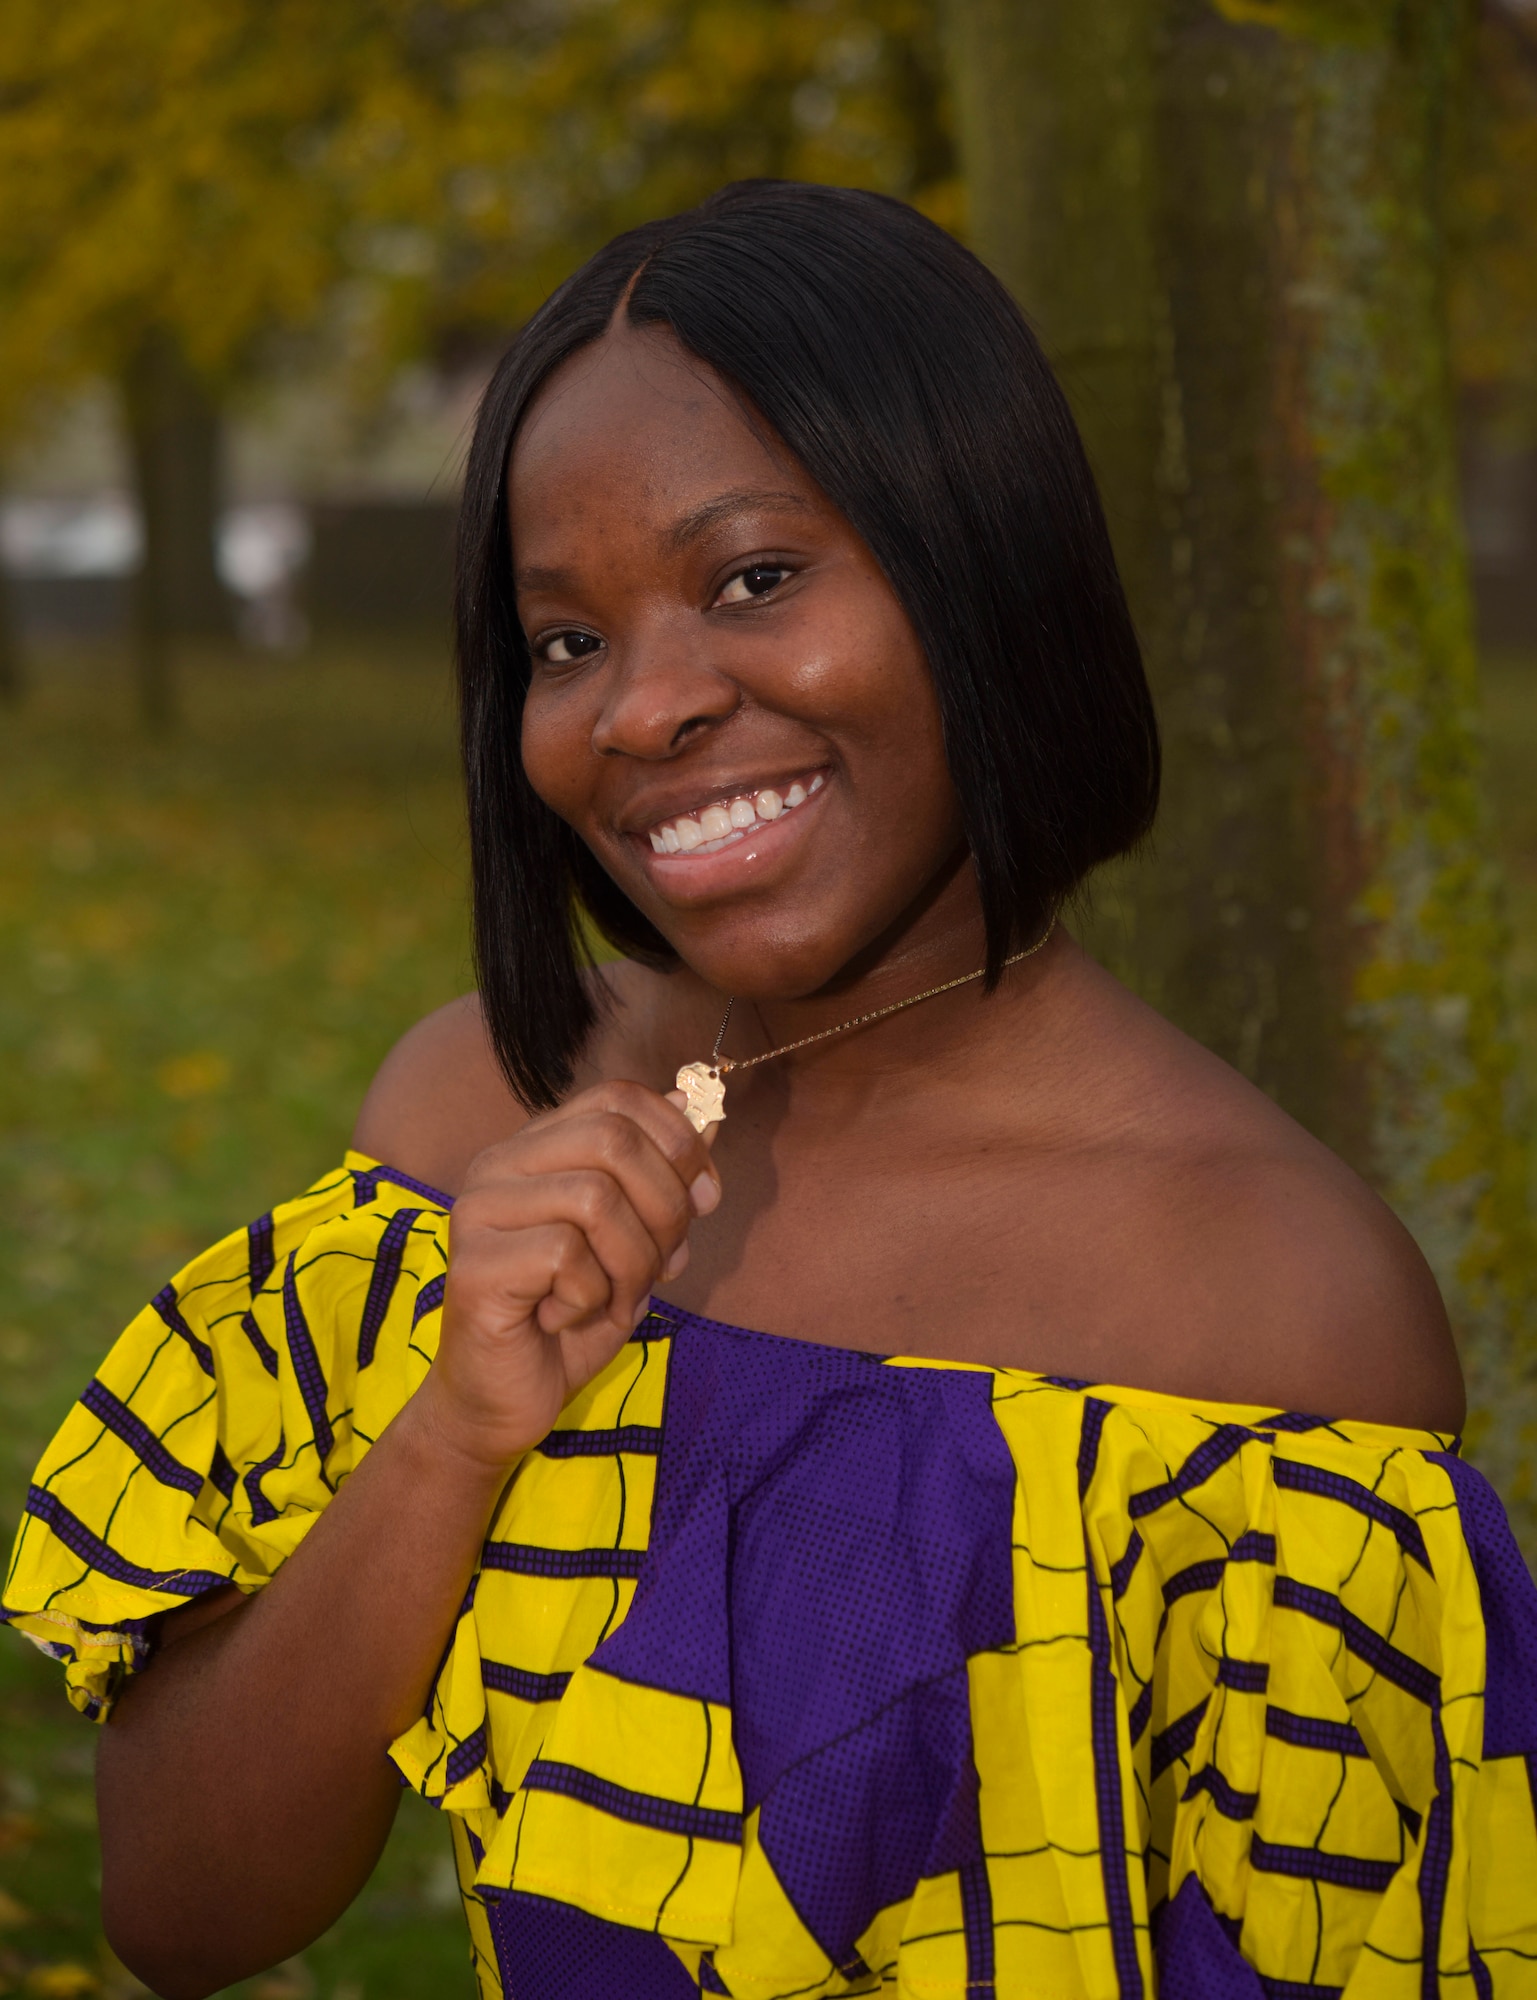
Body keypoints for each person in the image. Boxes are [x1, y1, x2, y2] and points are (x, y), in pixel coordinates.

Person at [4, 180, 1534, 2000]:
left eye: (752, 578)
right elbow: (183, 1909)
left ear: (985, 564)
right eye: (565, 640)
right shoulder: (476, 1111)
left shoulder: (1268, 1310)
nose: (639, 711)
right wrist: (455, 1429)